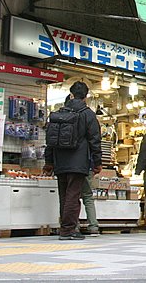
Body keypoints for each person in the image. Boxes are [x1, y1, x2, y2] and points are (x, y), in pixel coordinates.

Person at [44, 82, 102, 240]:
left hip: (60, 161)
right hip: (78, 161)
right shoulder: (88, 114)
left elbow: (50, 140)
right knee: (73, 195)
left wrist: (48, 161)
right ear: (86, 96)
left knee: (64, 195)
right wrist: (97, 162)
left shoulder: (59, 113)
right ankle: (68, 230)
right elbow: (95, 140)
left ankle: (66, 227)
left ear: (71, 95)